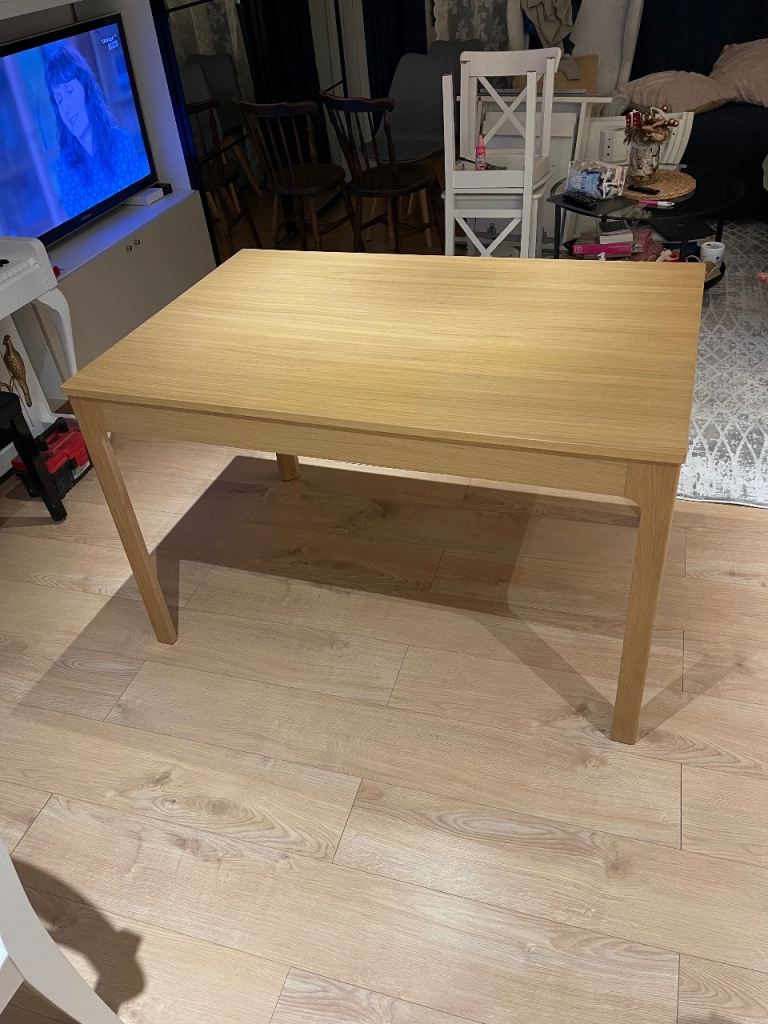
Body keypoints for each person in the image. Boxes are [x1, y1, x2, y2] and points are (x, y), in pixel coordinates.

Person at [44, 43, 147, 217]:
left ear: (86, 89)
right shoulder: (64, 167)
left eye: (69, 91)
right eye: (59, 99)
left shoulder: (121, 142)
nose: (66, 108)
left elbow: (140, 205)